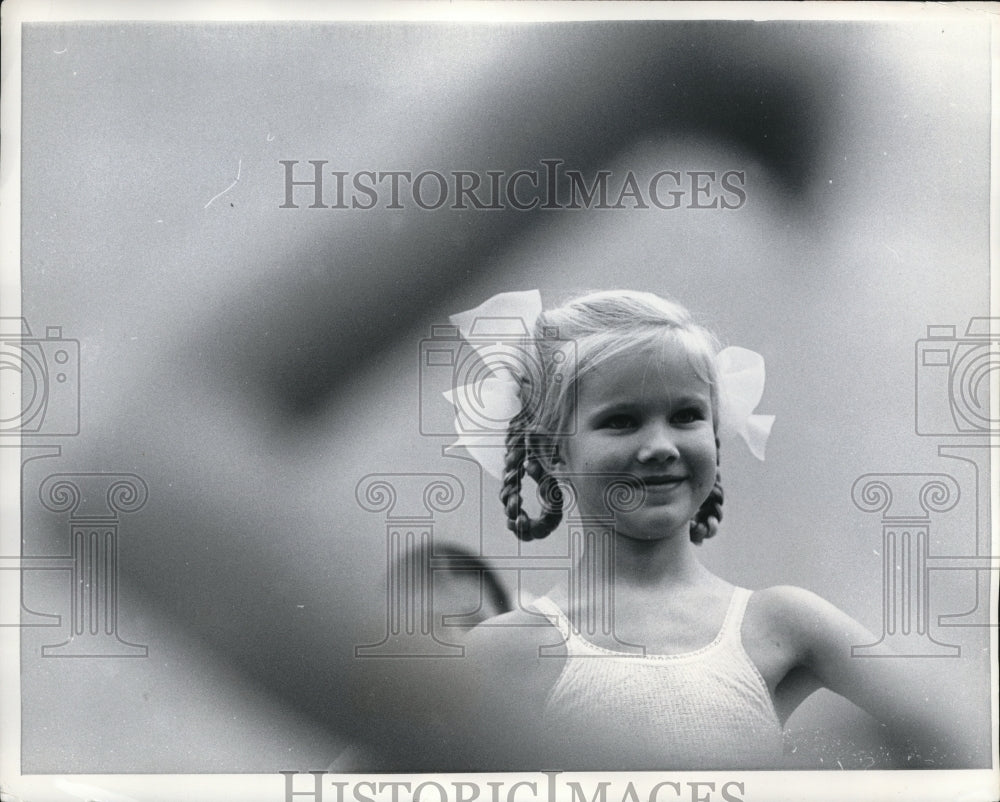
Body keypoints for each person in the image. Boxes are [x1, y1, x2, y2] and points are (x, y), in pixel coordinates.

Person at [442, 289, 972, 771]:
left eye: (686, 415)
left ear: (716, 436)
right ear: (551, 451)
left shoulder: (780, 622)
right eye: (621, 421)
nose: (661, 446)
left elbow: (956, 740)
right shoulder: (508, 649)